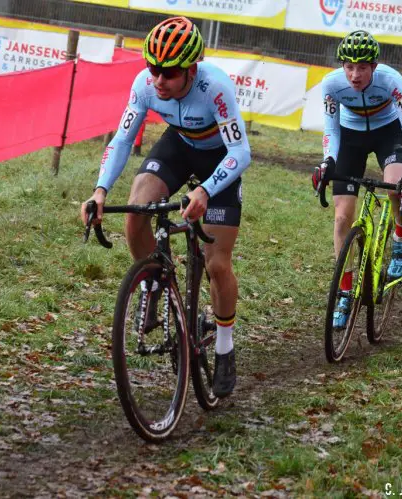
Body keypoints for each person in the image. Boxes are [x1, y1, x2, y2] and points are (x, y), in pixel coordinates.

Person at [80, 16, 251, 398]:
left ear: (191, 69)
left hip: (219, 161)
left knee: (217, 264)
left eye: (169, 73)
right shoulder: (144, 85)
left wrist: (206, 191)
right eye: (153, 69)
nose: (158, 80)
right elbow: (122, 140)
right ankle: (154, 281)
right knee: (140, 205)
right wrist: (101, 191)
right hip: (178, 148)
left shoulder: (215, 89)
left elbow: (241, 152)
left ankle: (224, 347)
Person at [311, 30, 402, 330]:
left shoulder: (391, 81)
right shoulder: (332, 85)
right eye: (349, 67)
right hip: (351, 137)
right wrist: (327, 161)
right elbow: (332, 130)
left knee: (397, 186)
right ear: (342, 66)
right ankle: (345, 291)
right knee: (342, 217)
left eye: (362, 67)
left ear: (374, 66)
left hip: (389, 133)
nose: (355, 75)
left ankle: (401, 237)